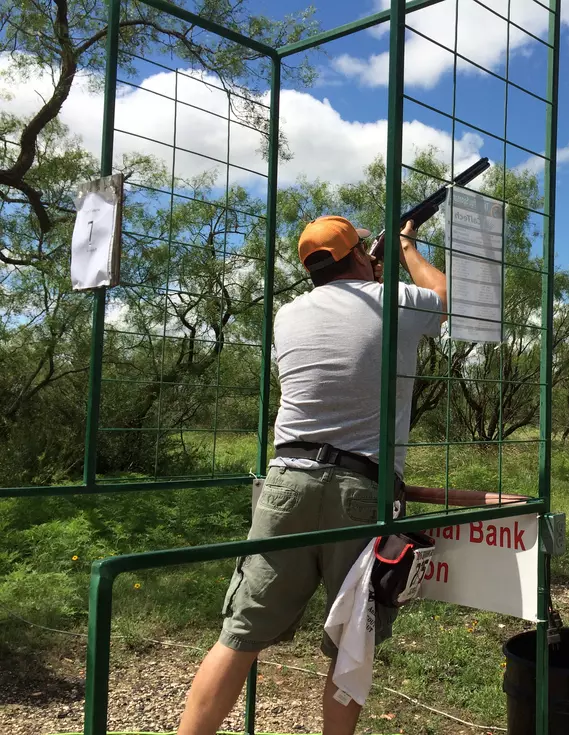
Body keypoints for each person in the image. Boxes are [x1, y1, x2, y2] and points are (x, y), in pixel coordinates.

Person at [176, 216, 447, 735]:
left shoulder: (288, 314)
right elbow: (445, 297)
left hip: (286, 481)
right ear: (361, 255)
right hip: (361, 489)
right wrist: (407, 246)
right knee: (352, 646)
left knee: (239, 637)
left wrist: (373, 266)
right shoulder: (396, 300)